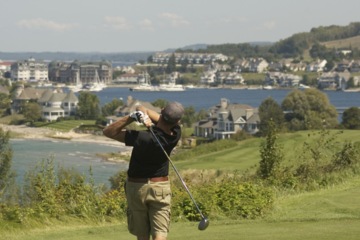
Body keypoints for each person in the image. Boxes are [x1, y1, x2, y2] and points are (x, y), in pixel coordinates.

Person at [103, 101, 185, 240]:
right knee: (160, 235)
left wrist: (132, 117)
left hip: (137, 187)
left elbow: (108, 132)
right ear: (178, 121)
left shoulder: (142, 137)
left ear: (162, 110)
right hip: (160, 187)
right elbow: (145, 109)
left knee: (142, 237)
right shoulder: (175, 133)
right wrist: (143, 114)